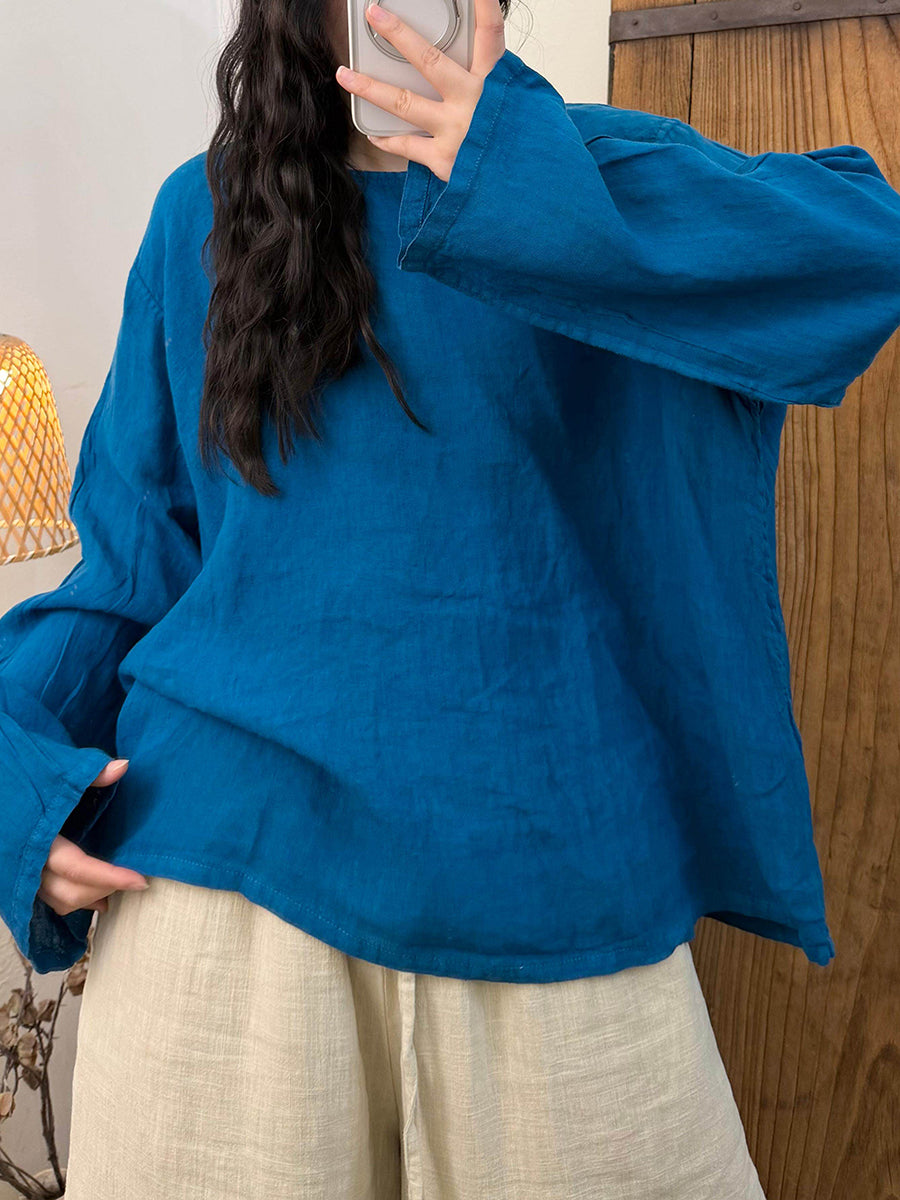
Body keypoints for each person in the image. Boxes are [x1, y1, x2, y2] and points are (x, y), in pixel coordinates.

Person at [2, 0, 900, 1195]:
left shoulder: (593, 177)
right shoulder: (202, 218)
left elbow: (867, 252)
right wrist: (13, 774)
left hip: (552, 876)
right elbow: (129, 574)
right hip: (223, 882)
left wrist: (524, 176)